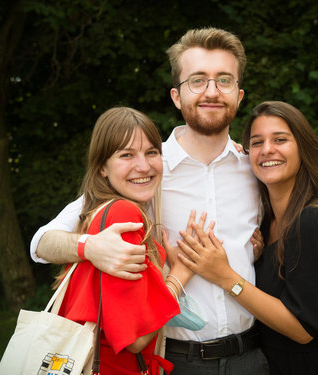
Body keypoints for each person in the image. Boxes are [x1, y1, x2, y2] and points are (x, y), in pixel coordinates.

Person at [30, 28, 269, 375]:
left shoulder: (255, 170)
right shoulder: (146, 171)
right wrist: (91, 246)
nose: (212, 92)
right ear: (176, 95)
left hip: (253, 356)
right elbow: (42, 242)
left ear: (239, 94)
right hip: (173, 361)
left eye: (224, 80)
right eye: (198, 80)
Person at [174, 101, 318, 374]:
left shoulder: (315, 220)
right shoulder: (268, 221)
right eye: (257, 143)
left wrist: (225, 276)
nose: (267, 149)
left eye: (280, 139)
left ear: (303, 148)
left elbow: (304, 328)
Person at [57, 106, 185, 374]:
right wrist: (180, 274)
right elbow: (135, 339)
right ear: (102, 168)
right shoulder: (122, 215)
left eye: (152, 152)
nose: (144, 165)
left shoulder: (96, 212)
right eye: (127, 155)